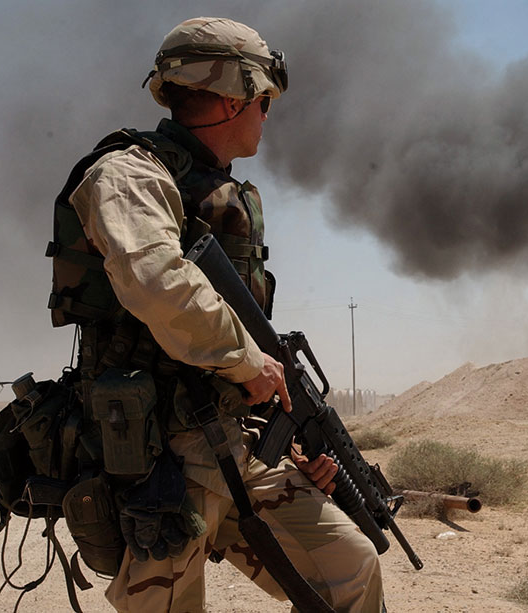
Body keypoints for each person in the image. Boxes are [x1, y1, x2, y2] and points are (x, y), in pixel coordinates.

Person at [51, 17, 384, 612]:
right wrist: (245, 358)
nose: (267, 115)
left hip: (237, 448)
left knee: (350, 569)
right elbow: (157, 281)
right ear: (233, 97)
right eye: (263, 100)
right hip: (159, 460)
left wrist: (293, 441)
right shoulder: (129, 174)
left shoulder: (213, 190)